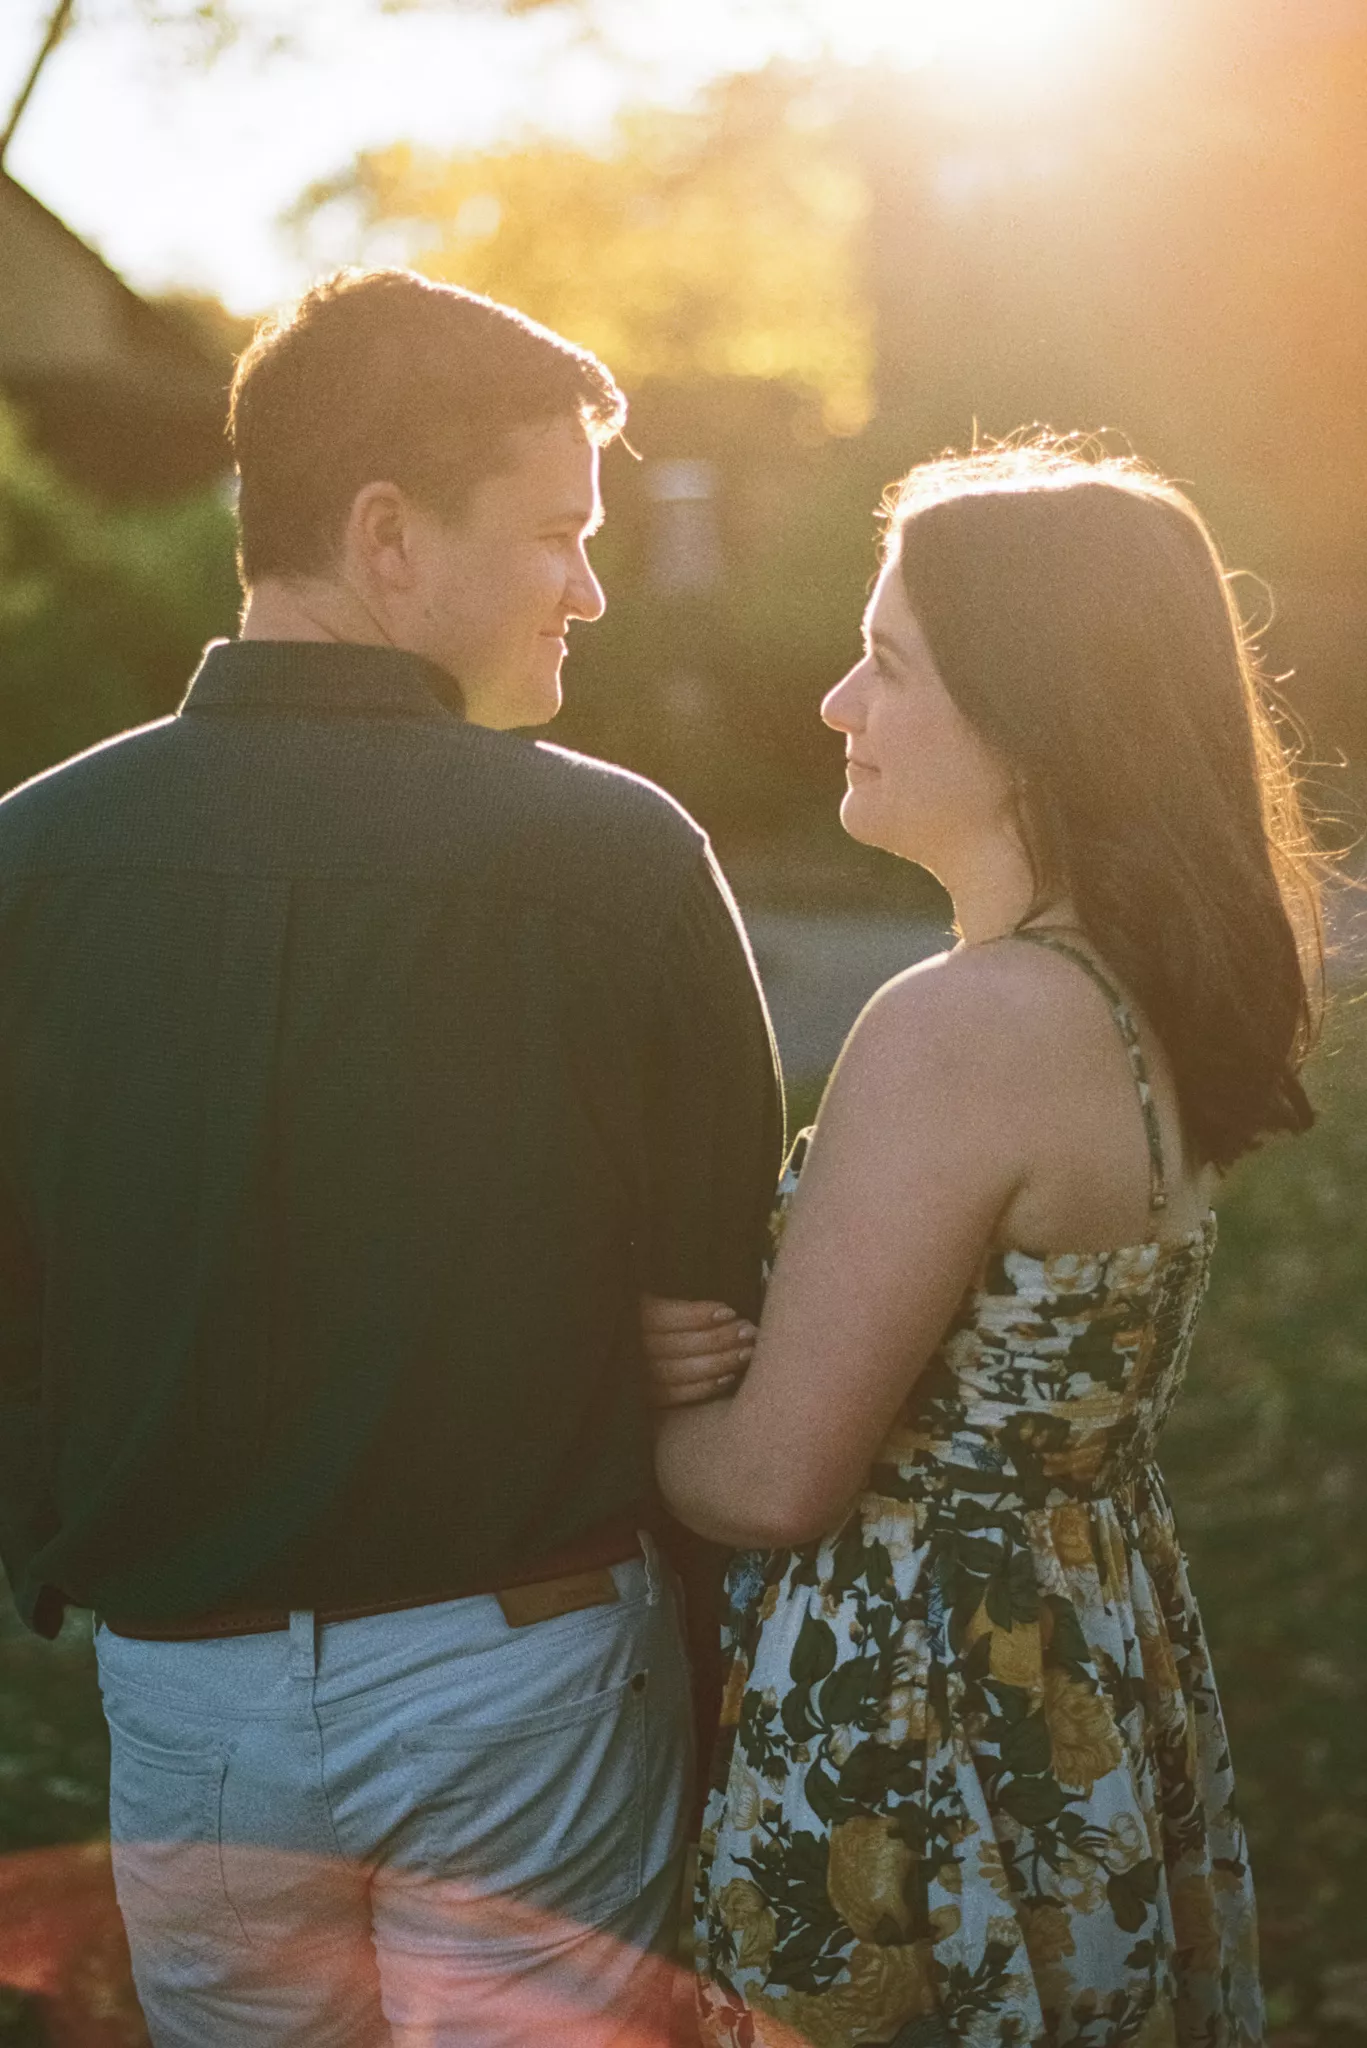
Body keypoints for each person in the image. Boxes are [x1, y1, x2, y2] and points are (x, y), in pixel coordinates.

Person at [0, 268, 783, 2046]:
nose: (591, 587)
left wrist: (72, 1522)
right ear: (386, 534)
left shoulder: (22, 867)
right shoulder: (622, 862)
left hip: (186, 1694)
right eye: (556, 533)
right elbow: (724, 1299)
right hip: (522, 1679)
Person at [643, 441, 1322, 2047]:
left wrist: (619, 1383)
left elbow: (768, 1482)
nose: (832, 702)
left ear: (1030, 723)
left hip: (921, 1715)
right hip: (1074, 1656)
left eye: (882, 662)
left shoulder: (965, 1024)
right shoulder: (1127, 994)